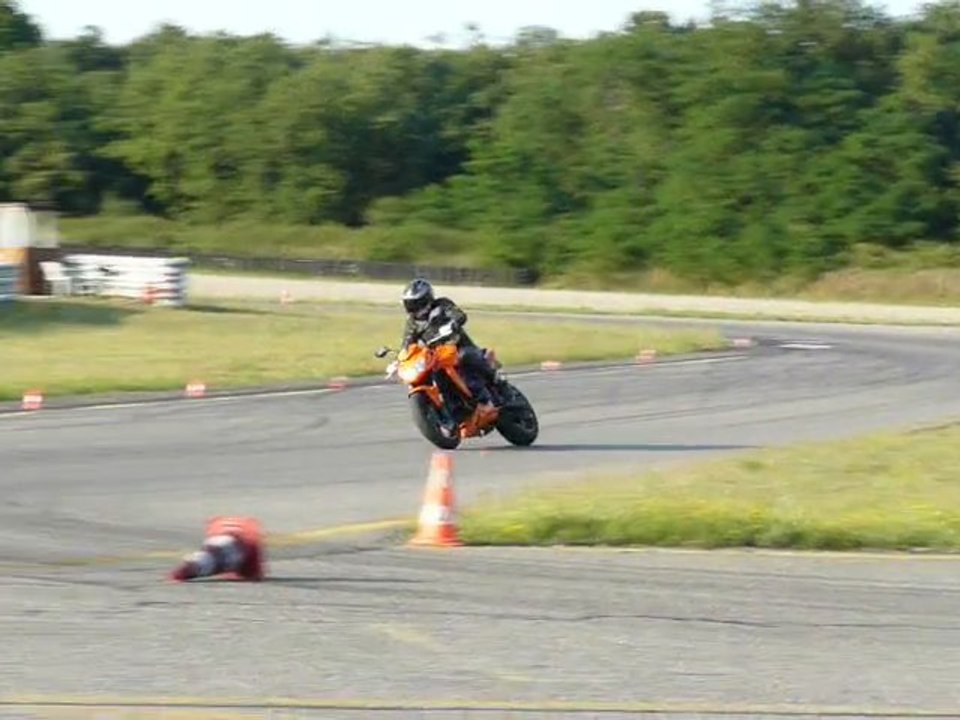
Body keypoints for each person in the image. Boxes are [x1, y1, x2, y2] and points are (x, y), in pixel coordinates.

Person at [399, 278, 500, 410]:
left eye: (415, 303)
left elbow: (459, 315)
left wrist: (453, 323)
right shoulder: (412, 323)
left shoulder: (442, 304)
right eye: (409, 304)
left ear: (426, 299)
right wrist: (401, 358)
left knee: (466, 357)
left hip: (459, 346)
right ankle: (448, 412)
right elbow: (407, 343)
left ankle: (489, 391)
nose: (412, 308)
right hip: (438, 357)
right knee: (431, 375)